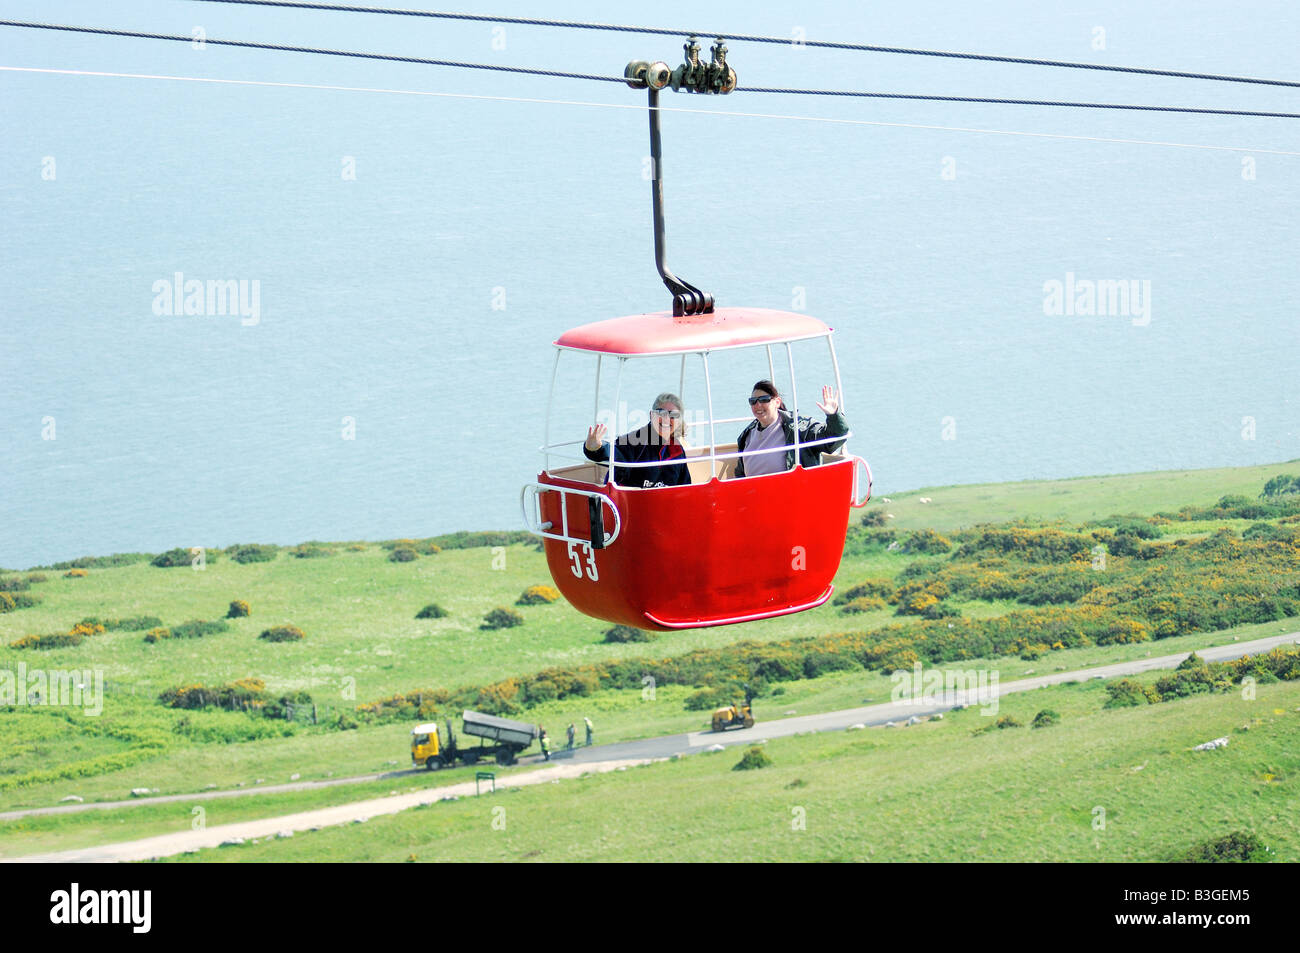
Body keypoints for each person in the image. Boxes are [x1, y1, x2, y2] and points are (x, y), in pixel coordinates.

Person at [733, 380, 848, 478]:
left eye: (764, 400)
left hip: (791, 494)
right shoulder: (747, 435)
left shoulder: (798, 427)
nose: (758, 405)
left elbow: (833, 439)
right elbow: (740, 474)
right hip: (755, 496)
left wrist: (833, 416)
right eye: (753, 401)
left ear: (777, 402)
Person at [583, 393, 691, 489]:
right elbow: (614, 453)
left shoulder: (677, 450)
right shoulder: (636, 440)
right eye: (661, 413)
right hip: (629, 506)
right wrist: (595, 448)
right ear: (651, 415)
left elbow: (686, 488)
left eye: (673, 415)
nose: (667, 419)